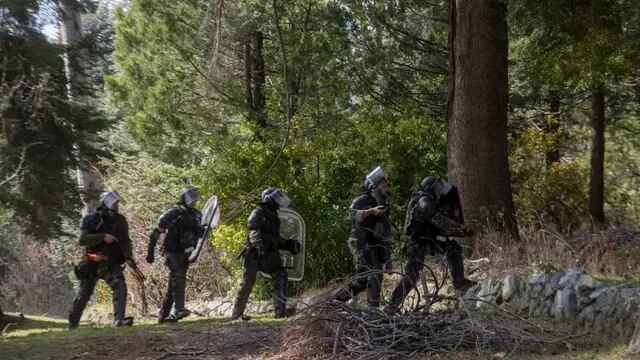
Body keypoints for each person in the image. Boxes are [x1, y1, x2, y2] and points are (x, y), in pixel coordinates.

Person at [387, 176, 475, 311]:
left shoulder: (429, 199)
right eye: (436, 187)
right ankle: (391, 308)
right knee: (412, 276)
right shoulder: (424, 201)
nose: (439, 190)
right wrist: (461, 229)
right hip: (416, 243)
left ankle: (459, 282)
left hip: (428, 240)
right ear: (430, 188)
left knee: (453, 248)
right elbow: (440, 220)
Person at [69, 190, 136, 328]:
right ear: (105, 203)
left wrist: (129, 257)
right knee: (84, 294)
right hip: (93, 262)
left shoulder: (121, 220)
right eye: (113, 202)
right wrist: (102, 236)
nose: (116, 205)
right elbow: (82, 240)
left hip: (112, 262)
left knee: (120, 285)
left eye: (117, 202)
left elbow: (126, 241)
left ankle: (119, 320)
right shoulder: (92, 219)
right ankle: (72, 324)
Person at [231, 188, 300, 320]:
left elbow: (274, 239)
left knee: (281, 274)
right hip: (254, 255)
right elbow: (253, 232)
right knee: (247, 281)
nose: (278, 202)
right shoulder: (258, 212)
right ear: (269, 199)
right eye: (276, 199)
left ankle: (280, 313)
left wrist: (288, 244)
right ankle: (237, 314)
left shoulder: (274, 216)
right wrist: (259, 249)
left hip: (268, 254)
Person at [334, 166, 393, 308]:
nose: (386, 190)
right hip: (361, 242)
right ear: (374, 188)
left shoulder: (382, 203)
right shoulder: (362, 199)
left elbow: (385, 226)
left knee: (362, 281)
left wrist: (401, 236)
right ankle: (373, 311)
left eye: (386, 187)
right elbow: (351, 215)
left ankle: (335, 301)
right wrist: (370, 211)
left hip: (374, 243)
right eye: (383, 187)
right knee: (374, 273)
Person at [147, 187, 204, 323]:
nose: (193, 202)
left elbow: (199, 233)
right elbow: (156, 232)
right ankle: (179, 309)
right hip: (172, 252)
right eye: (191, 199)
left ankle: (163, 316)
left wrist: (200, 232)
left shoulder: (196, 215)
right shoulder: (173, 213)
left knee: (174, 284)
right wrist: (150, 252)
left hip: (186, 252)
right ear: (184, 199)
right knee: (179, 276)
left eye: (195, 199)